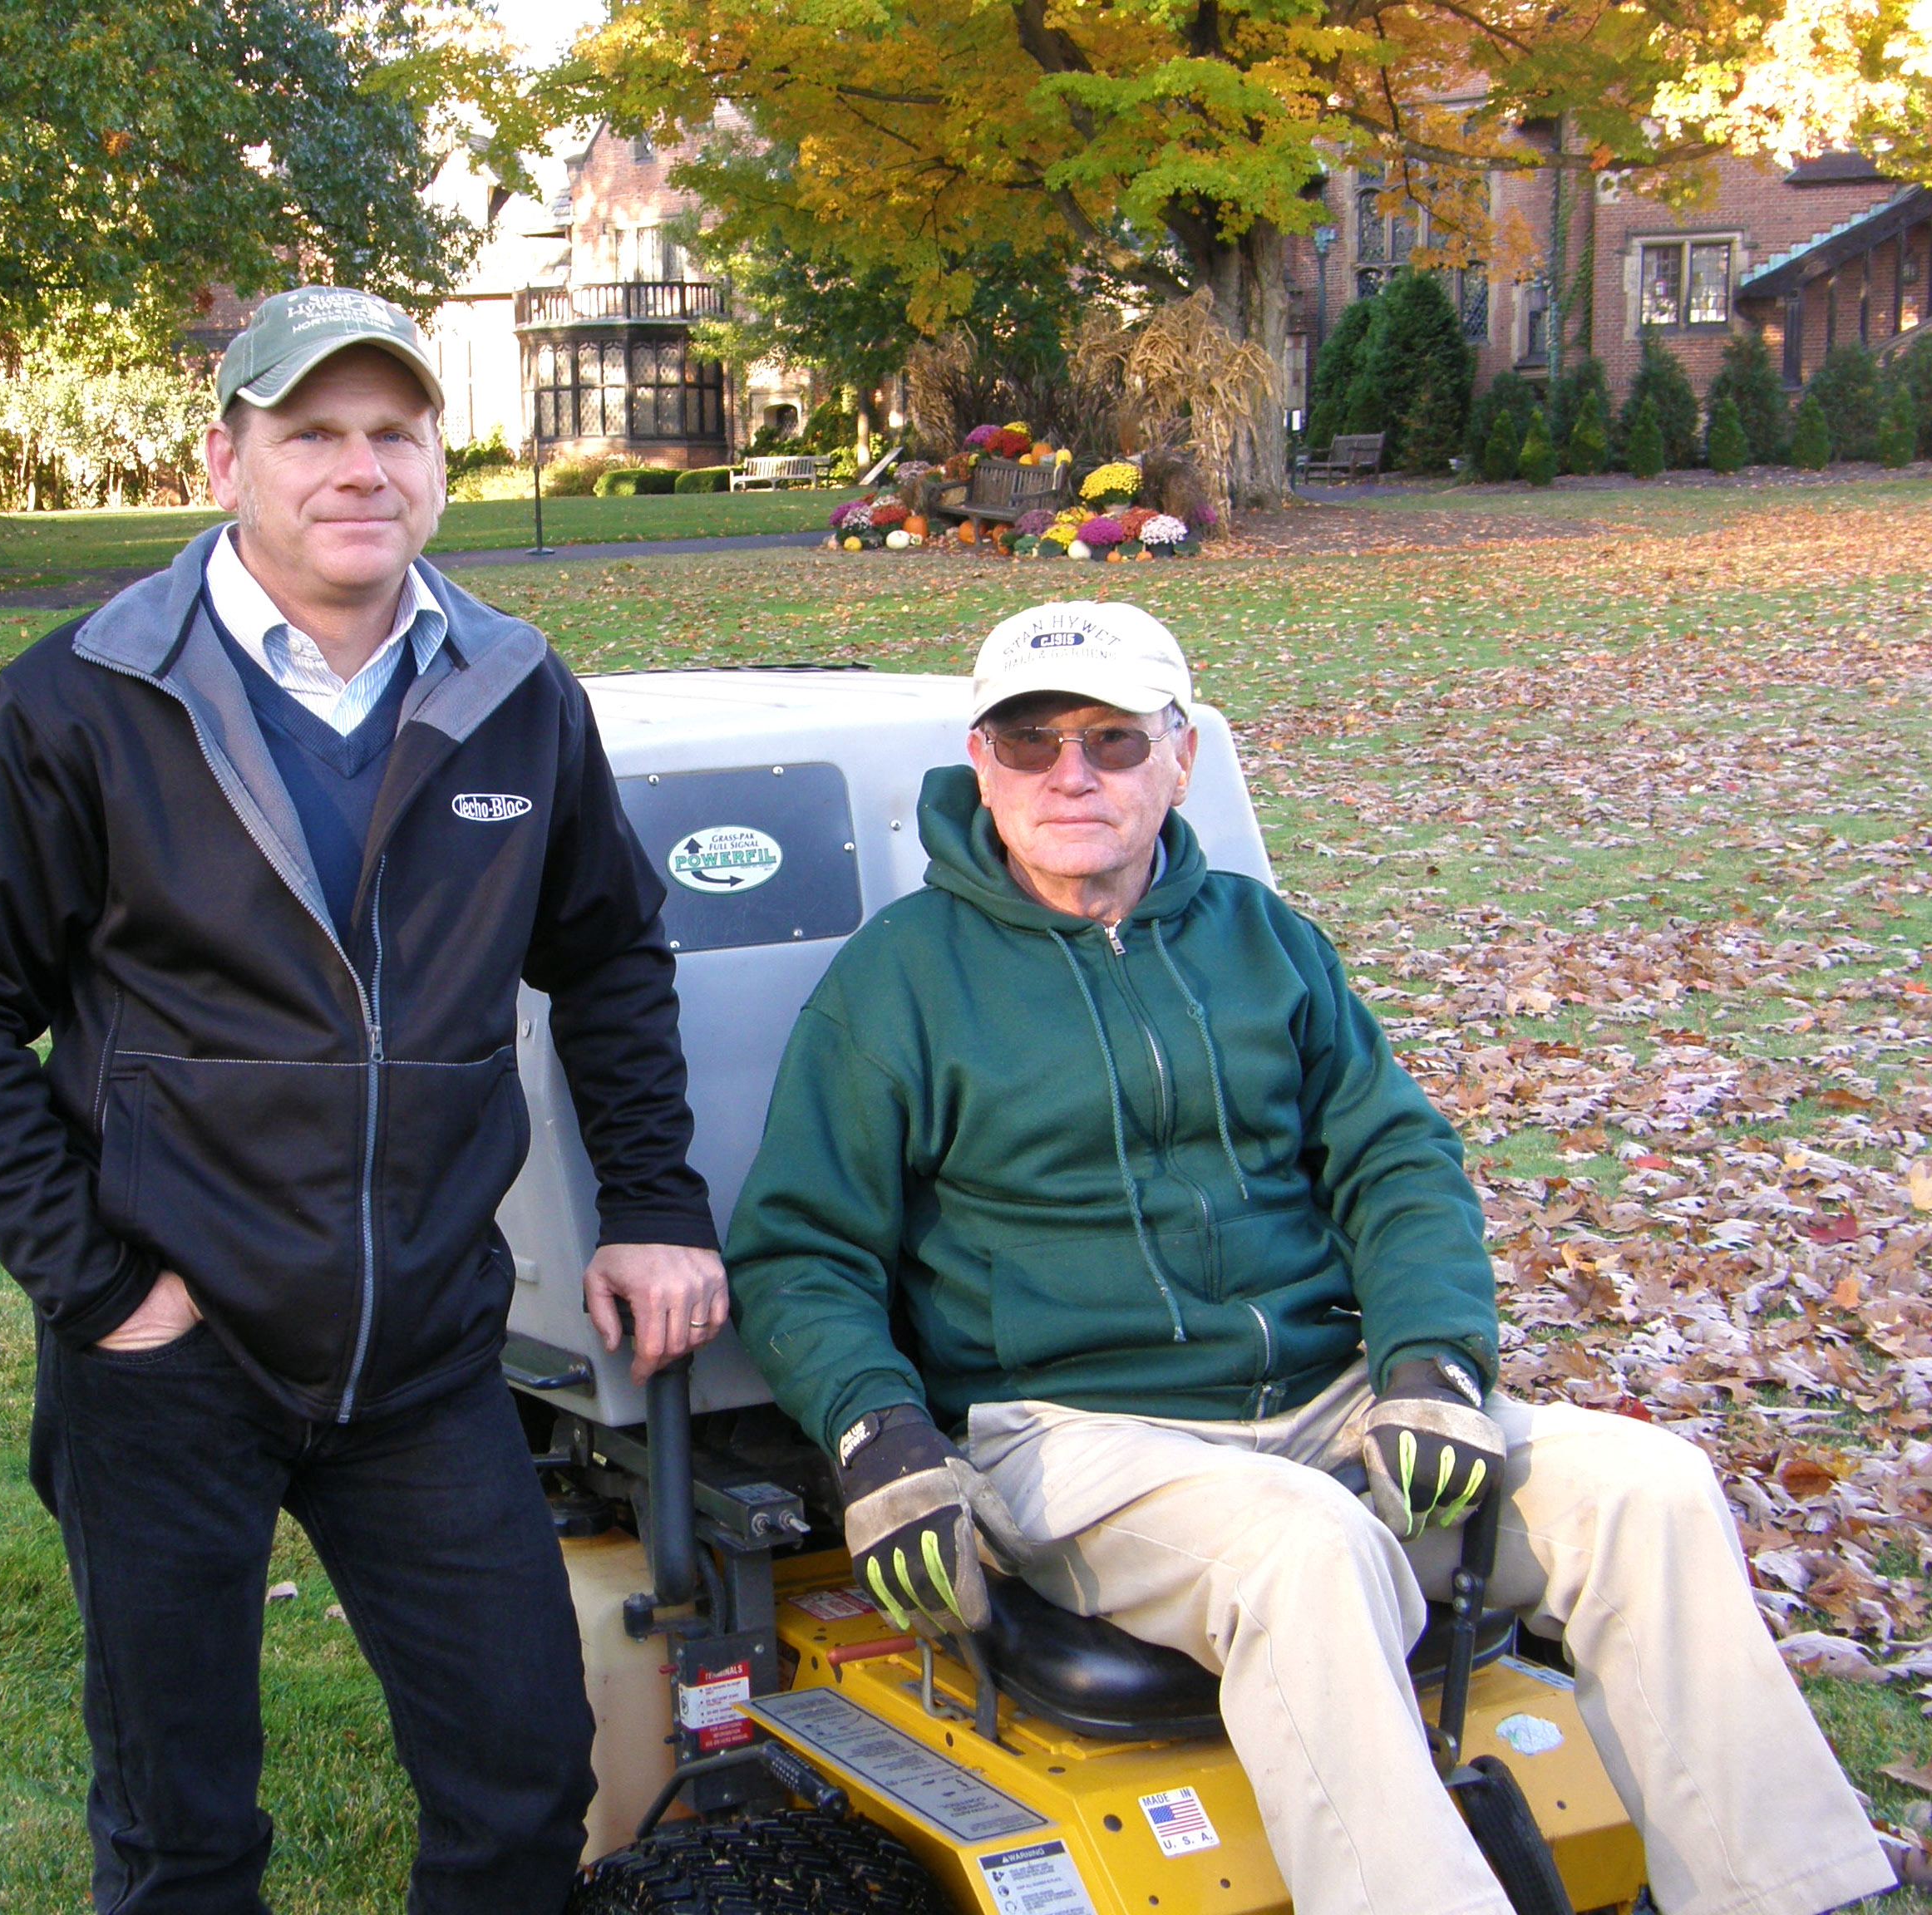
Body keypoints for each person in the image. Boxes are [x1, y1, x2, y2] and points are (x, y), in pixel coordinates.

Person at [723, 601, 1892, 1915]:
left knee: (1645, 1486)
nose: (1071, 775)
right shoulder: (901, 981)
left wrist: (1434, 1364)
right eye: (1030, 741)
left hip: (1331, 1401)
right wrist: (877, 1439)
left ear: (1179, 758)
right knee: (1306, 1548)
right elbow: (800, 1250)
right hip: (1076, 1436)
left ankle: (1781, 1891)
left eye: (1112, 742)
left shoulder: (1262, 939)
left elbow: (1395, 1162)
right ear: (978, 763)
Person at [0, 286, 727, 1915]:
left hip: (421, 1350)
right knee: (181, 1829)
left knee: (526, 1778)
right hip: (171, 1357)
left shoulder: (515, 693)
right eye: (311, 433)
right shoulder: (79, 704)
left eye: (392, 433)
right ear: (227, 457)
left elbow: (611, 955)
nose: (357, 468)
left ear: (435, 466)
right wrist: (107, 1291)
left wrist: (659, 1207)